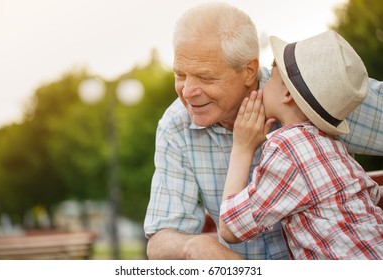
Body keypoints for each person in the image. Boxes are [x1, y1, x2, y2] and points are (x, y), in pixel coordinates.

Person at [144, 2, 383, 260]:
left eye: (206, 77)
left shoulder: (316, 90)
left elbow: (232, 225)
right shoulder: (176, 126)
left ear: (249, 71)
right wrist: (192, 246)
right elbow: (161, 235)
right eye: (180, 75)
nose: (187, 91)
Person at [218, 30, 383, 259]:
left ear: (287, 93)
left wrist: (242, 148)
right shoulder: (332, 145)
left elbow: (230, 227)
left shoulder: (288, 148)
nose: (262, 88)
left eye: (270, 80)